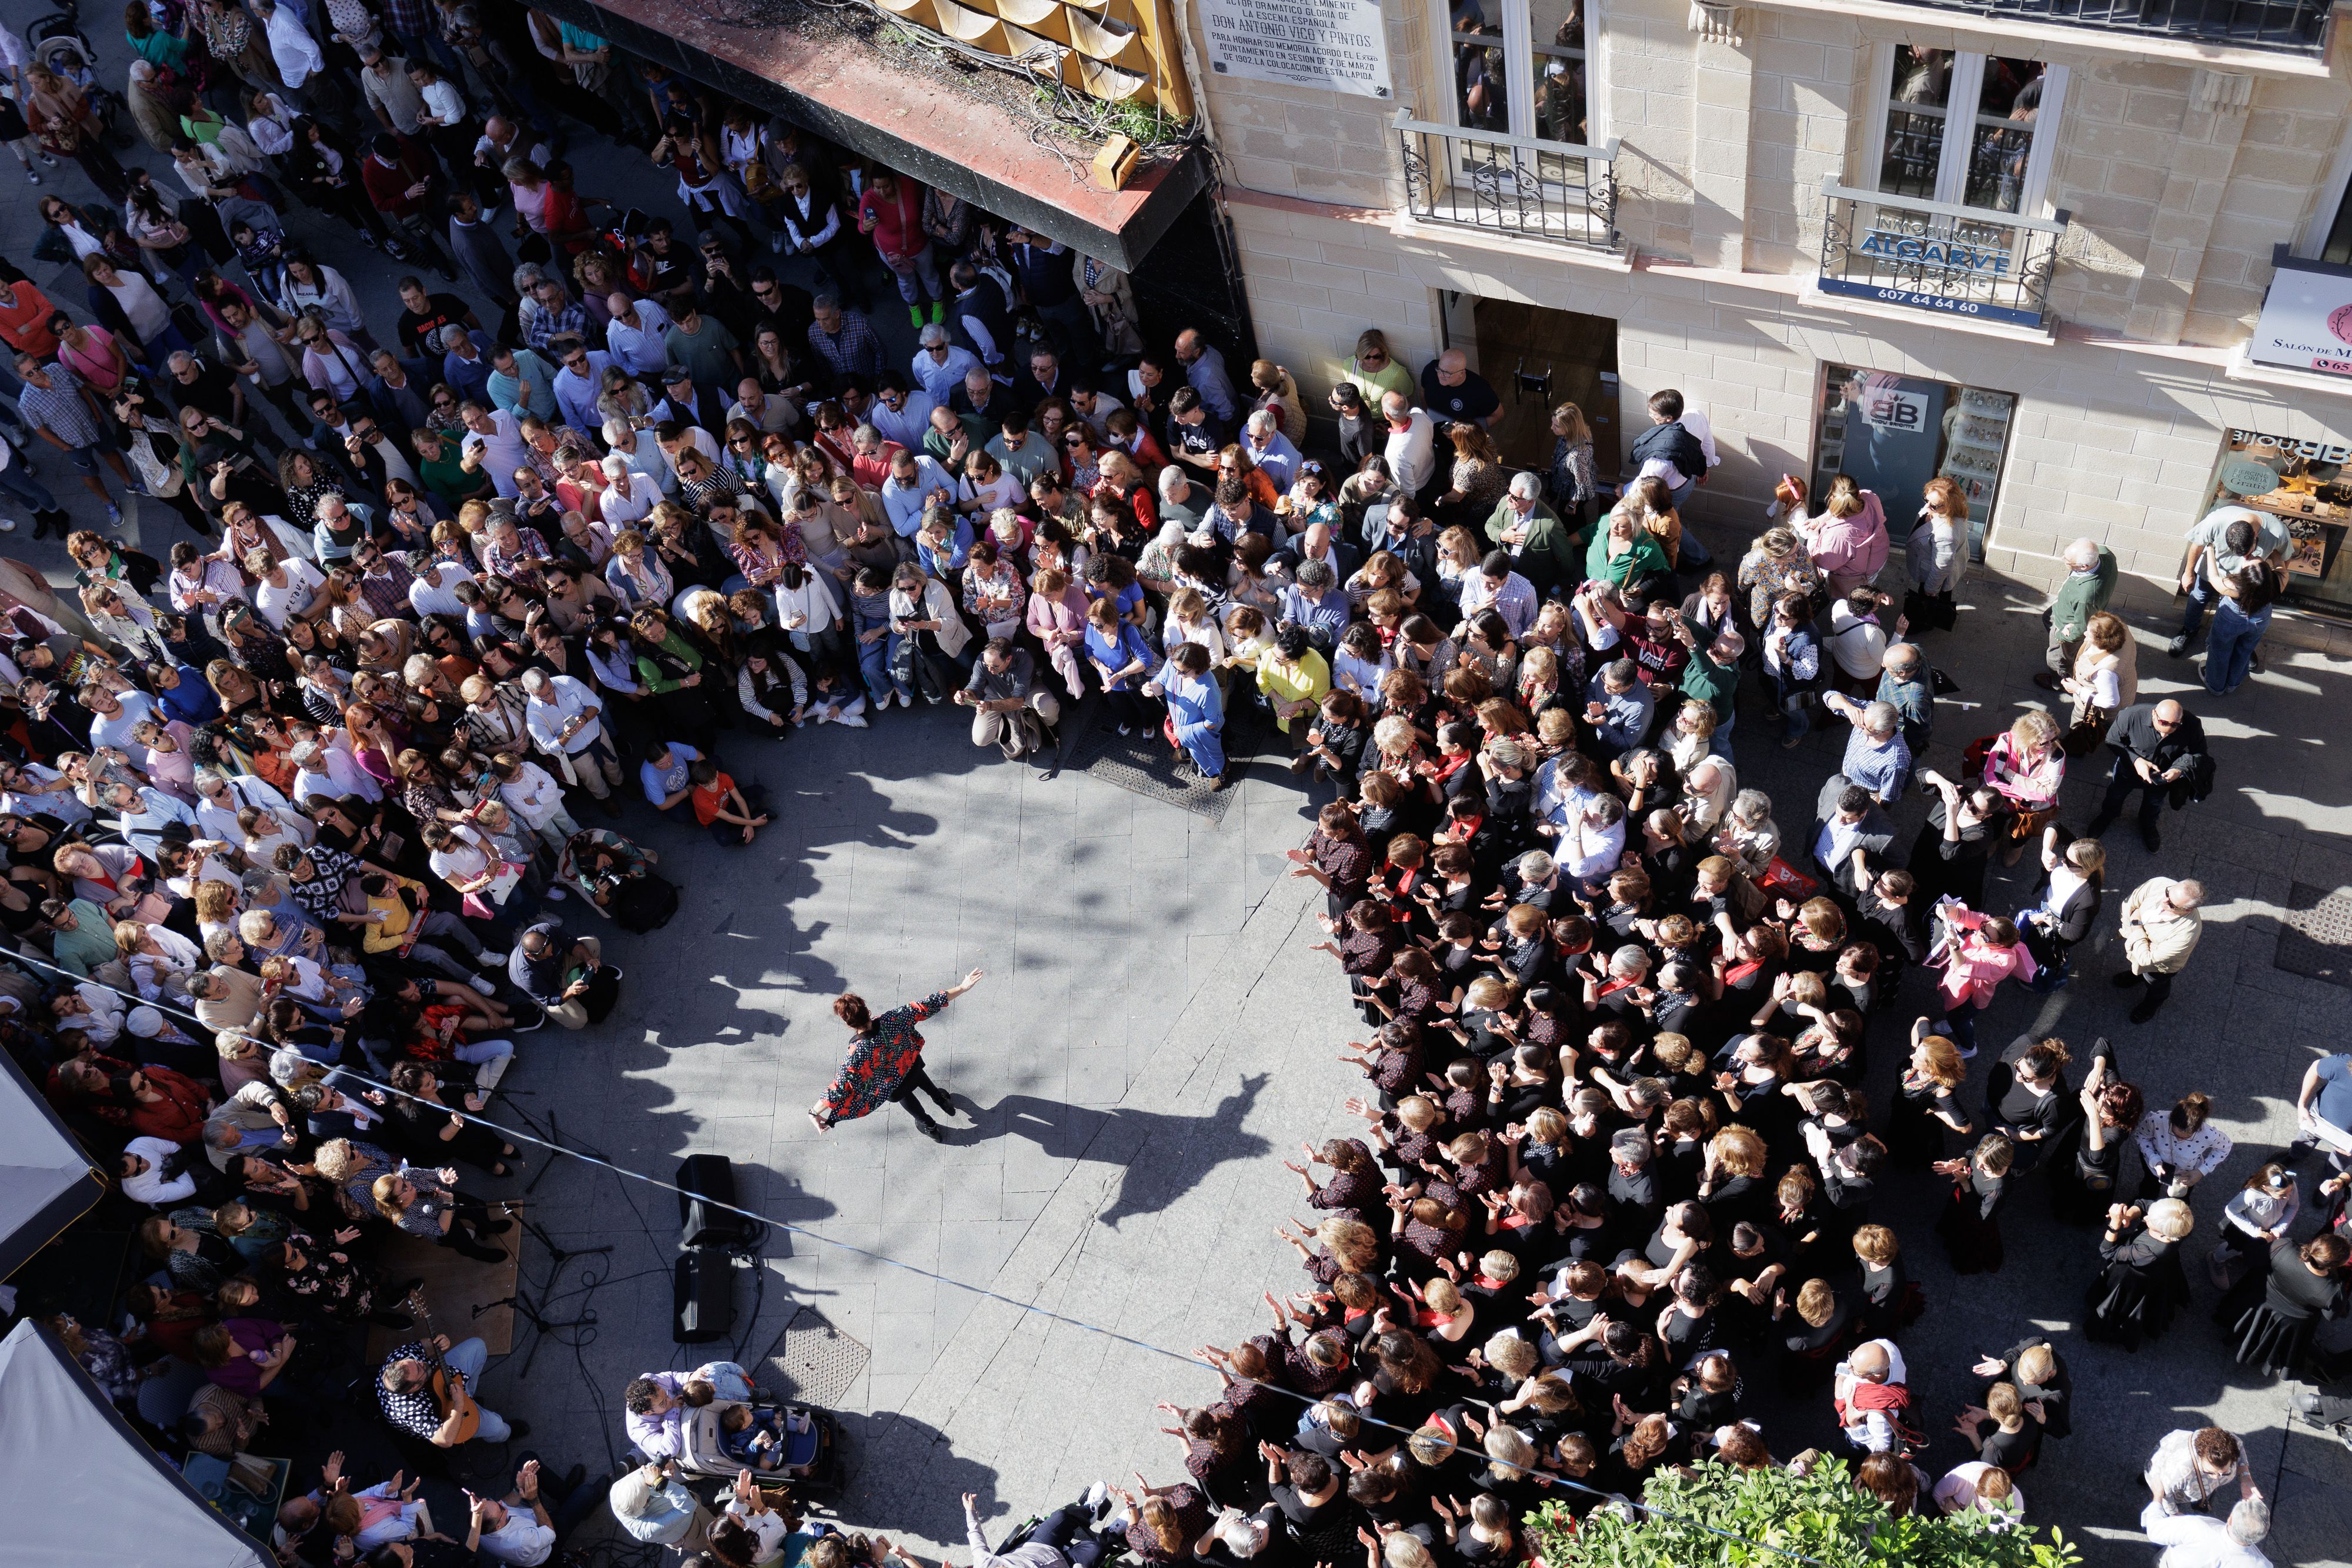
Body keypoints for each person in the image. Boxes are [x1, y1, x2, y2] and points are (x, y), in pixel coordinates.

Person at [811, 968, 984, 1142]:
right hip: (912, 1066)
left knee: (906, 1099)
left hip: (893, 1087)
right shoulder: (893, 1019)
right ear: (867, 1010)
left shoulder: (856, 1053)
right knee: (923, 1080)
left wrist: (814, 1112)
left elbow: (838, 1087)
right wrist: (962, 987)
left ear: (849, 1025)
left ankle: (929, 1126)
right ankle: (942, 1100)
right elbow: (928, 1003)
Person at [2087, 699, 2208, 852]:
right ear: (2154, 714)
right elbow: (2112, 740)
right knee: (2115, 795)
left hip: (2163, 774)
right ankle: (2106, 816)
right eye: (2163, 723)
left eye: (2175, 725)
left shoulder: (2191, 724)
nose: (2166, 731)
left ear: (2181, 720)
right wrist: (2136, 761)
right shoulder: (2131, 716)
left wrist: (2179, 769)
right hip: (2129, 769)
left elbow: (2199, 753)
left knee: (2154, 803)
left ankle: (2147, 825)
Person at [378, 1332, 524, 1446]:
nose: (422, 1362)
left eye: (416, 1361)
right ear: (415, 1387)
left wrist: (438, 1343)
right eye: (420, 1368)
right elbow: (444, 1439)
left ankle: (470, 1395)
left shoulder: (401, 1359)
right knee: (498, 1427)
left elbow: (423, 1346)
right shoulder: (409, 1409)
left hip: (439, 1378)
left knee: (478, 1346)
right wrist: (459, 1403)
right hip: (442, 1411)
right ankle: (507, 1434)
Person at [2112, 877, 2203, 1027]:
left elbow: (2147, 959)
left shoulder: (2186, 934)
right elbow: (2129, 904)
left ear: (2187, 910)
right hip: (2141, 949)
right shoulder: (2161, 883)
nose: (2164, 901)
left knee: (2156, 984)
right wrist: (2137, 936)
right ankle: (2135, 976)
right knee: (2138, 969)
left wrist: (2136, 924)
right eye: (2168, 893)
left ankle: (2151, 1006)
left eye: (2172, 904)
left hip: (2160, 968)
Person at [2033, 537, 2116, 693]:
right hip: (2064, 609)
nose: (2063, 560)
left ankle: (2059, 682)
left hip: (2066, 625)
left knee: (2057, 658)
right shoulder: (2106, 554)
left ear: (2084, 566)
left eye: (2068, 561)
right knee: (2047, 618)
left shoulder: (2086, 597)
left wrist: (2062, 638)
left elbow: (2080, 628)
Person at [2137, 1496, 2273, 1568]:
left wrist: (2157, 1500)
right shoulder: (2264, 1566)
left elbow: (2155, 1531)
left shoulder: (2196, 1528)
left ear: (2230, 1520)